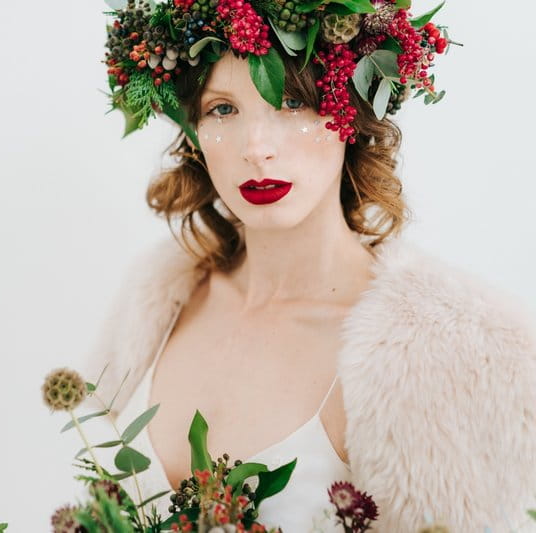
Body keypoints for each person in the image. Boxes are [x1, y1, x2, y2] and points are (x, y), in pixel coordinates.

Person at [82, 1, 536, 531]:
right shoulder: (153, 303)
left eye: (293, 101)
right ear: (194, 133)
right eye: (222, 109)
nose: (257, 149)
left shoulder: (460, 351)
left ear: (353, 115)